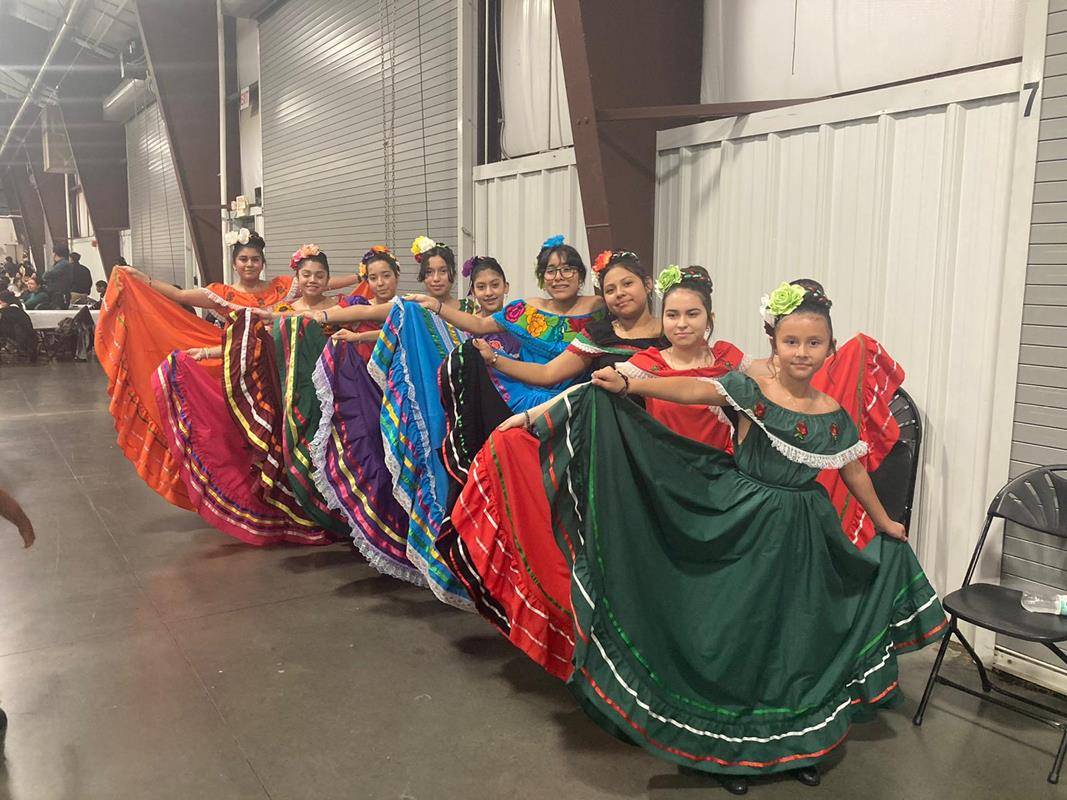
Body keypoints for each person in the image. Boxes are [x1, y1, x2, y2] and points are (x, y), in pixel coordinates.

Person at [518, 282, 942, 795]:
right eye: (791, 342)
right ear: (774, 344)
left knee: (795, 638)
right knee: (739, 634)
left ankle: (793, 746)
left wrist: (882, 523)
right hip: (743, 526)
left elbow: (853, 471)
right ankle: (728, 752)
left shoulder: (833, 413)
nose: (802, 353)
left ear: (830, 348)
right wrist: (632, 387)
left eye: (813, 343)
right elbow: (696, 388)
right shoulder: (751, 390)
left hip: (807, 537)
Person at [441, 265, 744, 678]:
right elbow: (576, 386)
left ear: (708, 316)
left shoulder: (730, 361)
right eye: (674, 315)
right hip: (644, 465)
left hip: (713, 477)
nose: (681, 322)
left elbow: (753, 410)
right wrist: (527, 414)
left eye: (692, 314)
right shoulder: (641, 357)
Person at [155, 247, 367, 545]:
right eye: (306, 274)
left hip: (337, 392)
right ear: (297, 277)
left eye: (319, 275)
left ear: (328, 279)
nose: (312, 280)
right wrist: (205, 352)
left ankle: (347, 511)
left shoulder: (343, 307)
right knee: (303, 453)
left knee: (340, 451)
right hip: (295, 395)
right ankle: (310, 511)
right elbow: (256, 344)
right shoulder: (283, 311)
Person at [96, 230, 308, 510]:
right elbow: (180, 294)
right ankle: (250, 496)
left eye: (255, 259)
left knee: (283, 429)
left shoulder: (283, 288)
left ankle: (290, 493)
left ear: (263, 262)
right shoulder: (222, 294)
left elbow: (318, 282)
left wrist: (364, 275)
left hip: (280, 370)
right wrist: (140, 278)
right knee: (244, 434)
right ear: (234, 263)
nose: (249, 264)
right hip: (239, 373)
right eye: (243, 259)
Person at [438, 249, 663, 507]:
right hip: (549, 406)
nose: (559, 277)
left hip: (608, 418)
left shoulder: (605, 313)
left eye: (568, 269)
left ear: (581, 276)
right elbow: (544, 371)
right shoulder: (534, 313)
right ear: (542, 278)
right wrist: (437, 307)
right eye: (551, 271)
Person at [42, 243, 73, 309]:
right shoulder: (62, 264)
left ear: (55, 253)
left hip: (60, 295)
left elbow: (47, 275)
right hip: (61, 294)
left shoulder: (63, 264)